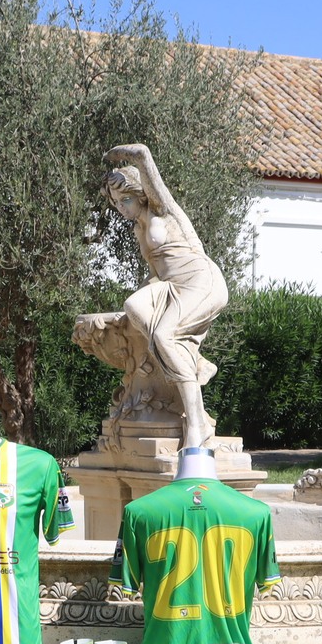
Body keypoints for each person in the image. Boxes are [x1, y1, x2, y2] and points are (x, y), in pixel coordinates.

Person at [102, 143, 228, 449]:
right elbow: (155, 271)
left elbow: (150, 172)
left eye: (125, 199)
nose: (121, 208)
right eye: (116, 203)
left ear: (141, 193)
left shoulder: (162, 209)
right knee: (133, 305)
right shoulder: (139, 228)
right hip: (171, 285)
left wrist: (138, 155)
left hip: (199, 280)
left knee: (163, 335)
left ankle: (197, 426)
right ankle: (191, 359)